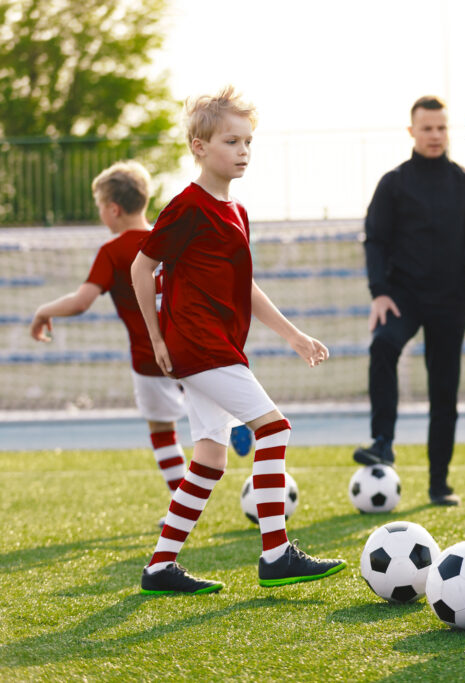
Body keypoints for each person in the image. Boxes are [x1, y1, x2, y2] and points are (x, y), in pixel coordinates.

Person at [132, 86, 344, 595]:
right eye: (231, 141)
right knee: (274, 430)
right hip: (199, 344)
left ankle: (160, 567)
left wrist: (291, 334)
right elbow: (143, 267)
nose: (243, 151)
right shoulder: (186, 207)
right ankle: (276, 553)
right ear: (200, 147)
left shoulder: (237, 211)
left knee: (209, 459)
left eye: (248, 141)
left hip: (217, 345)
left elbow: (241, 286)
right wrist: (157, 337)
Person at [355, 95, 465, 507]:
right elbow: (376, 241)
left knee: (444, 391)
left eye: (441, 128)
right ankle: (382, 441)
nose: (435, 135)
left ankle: (439, 483)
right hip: (402, 296)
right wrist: (379, 292)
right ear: (412, 132)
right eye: (427, 128)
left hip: (451, 300)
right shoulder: (394, 183)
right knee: (383, 344)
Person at [29, 161, 190, 505]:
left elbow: (81, 302)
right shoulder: (168, 238)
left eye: (100, 207)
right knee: (210, 418)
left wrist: (43, 311)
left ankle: (183, 505)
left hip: (150, 360)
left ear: (113, 209)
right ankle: (234, 422)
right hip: (191, 348)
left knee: (162, 430)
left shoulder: (113, 251)